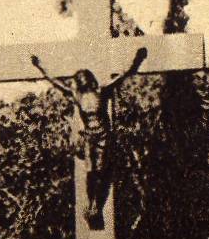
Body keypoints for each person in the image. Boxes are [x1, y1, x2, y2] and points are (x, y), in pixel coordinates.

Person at [31, 46, 147, 228]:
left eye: (84, 78)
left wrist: (138, 59)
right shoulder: (77, 96)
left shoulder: (103, 91)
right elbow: (55, 82)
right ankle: (92, 204)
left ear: (90, 80)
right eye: (79, 79)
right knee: (91, 172)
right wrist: (40, 67)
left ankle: (95, 207)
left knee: (100, 171)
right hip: (89, 137)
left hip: (103, 136)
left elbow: (125, 74)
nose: (81, 80)